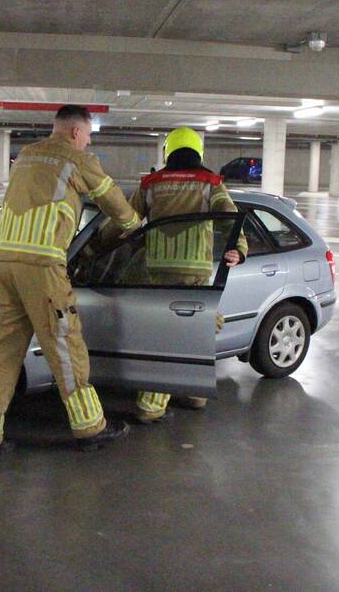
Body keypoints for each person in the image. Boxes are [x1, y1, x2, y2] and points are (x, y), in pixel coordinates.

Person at [0, 105, 141, 458]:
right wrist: (134, 225)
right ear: (77, 133)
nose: (88, 141)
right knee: (65, 348)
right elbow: (115, 205)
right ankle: (90, 427)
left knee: (2, 351)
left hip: (3, 265)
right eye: (88, 135)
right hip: (43, 265)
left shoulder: (26, 156)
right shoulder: (78, 159)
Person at [102, 126, 247, 423]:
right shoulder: (211, 183)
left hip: (158, 270)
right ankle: (173, 400)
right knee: (193, 330)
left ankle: (174, 399)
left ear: (169, 152)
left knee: (171, 334)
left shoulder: (151, 184)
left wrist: (95, 248)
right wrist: (239, 250)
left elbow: (124, 222)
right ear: (198, 152)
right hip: (194, 271)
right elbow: (230, 219)